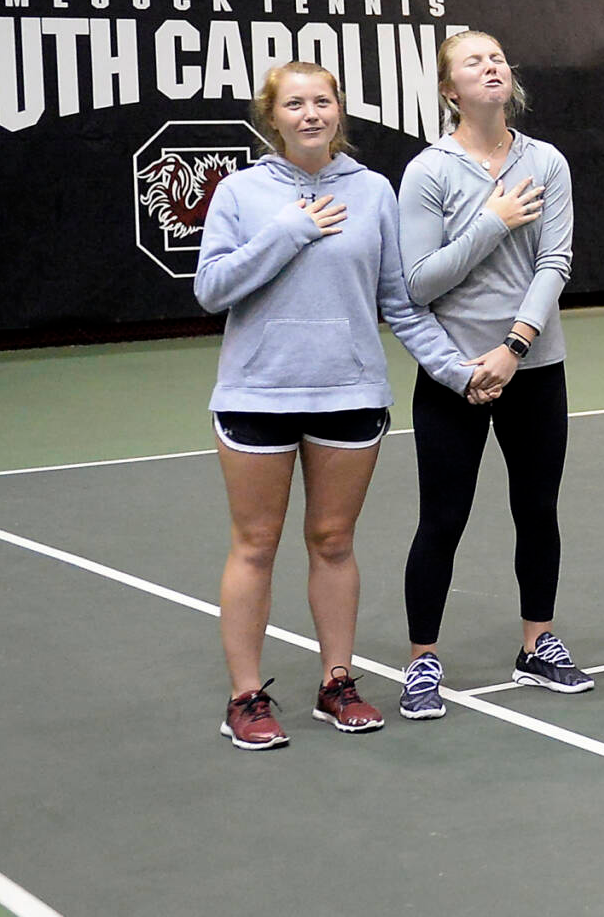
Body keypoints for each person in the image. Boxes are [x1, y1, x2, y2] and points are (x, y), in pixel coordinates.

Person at [195, 60, 488, 751]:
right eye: (294, 103)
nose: (310, 113)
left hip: (349, 395)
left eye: (321, 100)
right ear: (273, 117)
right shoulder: (241, 192)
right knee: (256, 544)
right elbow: (213, 288)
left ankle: (337, 682)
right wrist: (289, 230)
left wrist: (455, 369)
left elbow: (399, 303)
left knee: (332, 540)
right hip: (256, 396)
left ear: (338, 110)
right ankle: (245, 696)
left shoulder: (374, 190)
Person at [397, 31, 586, 720]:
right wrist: (491, 221)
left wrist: (514, 346)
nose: (493, 66)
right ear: (450, 88)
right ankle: (422, 659)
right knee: (442, 518)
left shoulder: (547, 162)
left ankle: (538, 643)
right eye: (475, 61)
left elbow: (554, 263)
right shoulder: (428, 172)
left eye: (500, 57)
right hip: (454, 380)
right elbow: (418, 282)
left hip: (534, 368)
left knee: (537, 510)